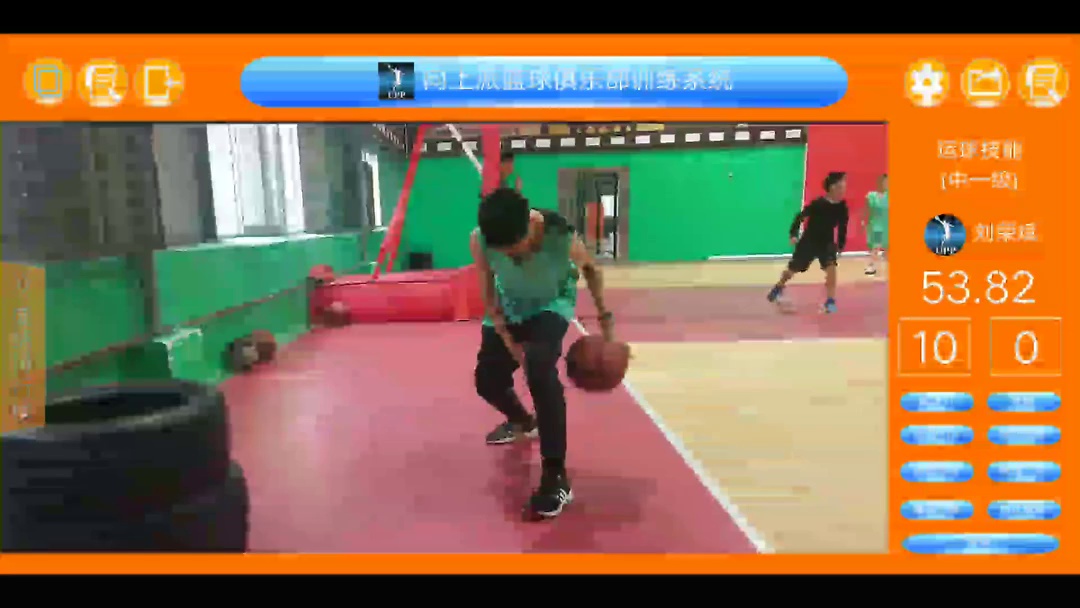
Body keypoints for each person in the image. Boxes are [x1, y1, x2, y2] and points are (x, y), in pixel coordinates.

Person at [471, 187, 614, 520]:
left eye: (516, 249)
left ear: (530, 227)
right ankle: (524, 422)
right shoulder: (480, 240)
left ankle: (555, 475)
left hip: (551, 304)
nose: (512, 257)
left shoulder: (560, 235)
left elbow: (592, 271)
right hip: (510, 306)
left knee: (539, 368)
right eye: (505, 253)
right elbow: (488, 291)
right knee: (487, 381)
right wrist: (508, 340)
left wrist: (605, 318)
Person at [767, 171, 850, 314]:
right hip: (809, 241)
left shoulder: (842, 207)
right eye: (841, 187)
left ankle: (830, 301)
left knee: (831, 269)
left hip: (827, 243)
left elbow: (843, 226)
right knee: (793, 269)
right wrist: (793, 233)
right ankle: (779, 287)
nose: (843, 190)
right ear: (832, 187)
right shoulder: (818, 204)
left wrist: (841, 244)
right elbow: (800, 217)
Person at [863, 174, 888, 276]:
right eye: (884, 182)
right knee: (875, 247)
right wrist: (864, 221)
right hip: (876, 225)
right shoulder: (871, 196)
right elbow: (866, 210)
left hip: (888, 225)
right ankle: (871, 266)